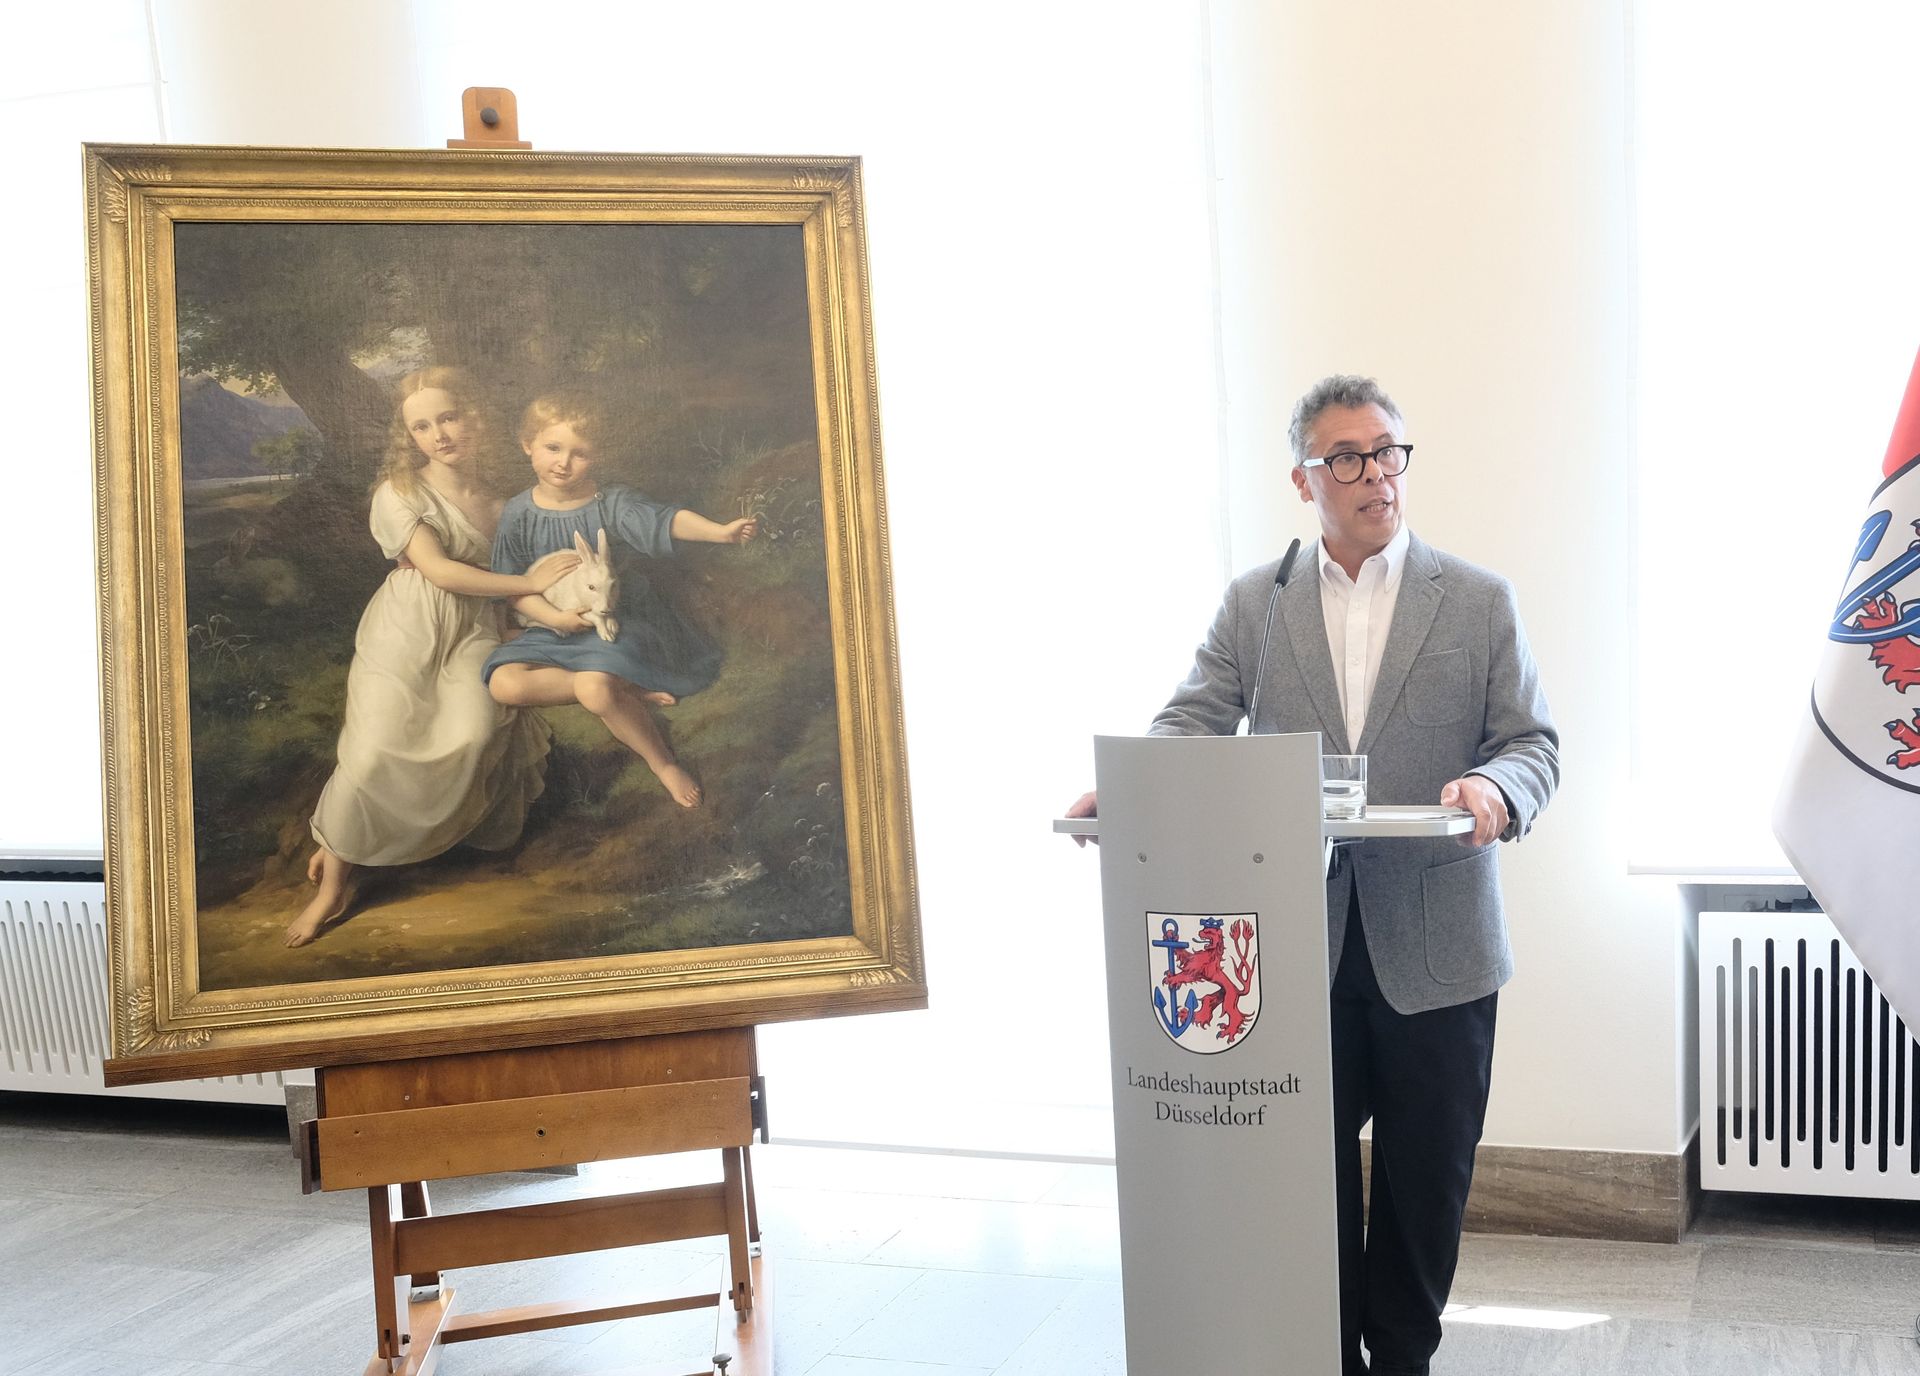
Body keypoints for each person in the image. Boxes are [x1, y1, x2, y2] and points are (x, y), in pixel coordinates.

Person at [1066, 375, 1558, 1375]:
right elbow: (1192, 720)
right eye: (1348, 457)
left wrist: (1496, 787)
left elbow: (1532, 743)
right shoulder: (1261, 601)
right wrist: (1129, 792)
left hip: (1440, 949)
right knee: (1302, 1181)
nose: (1376, 474)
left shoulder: (1477, 600)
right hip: (1296, 948)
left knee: (1425, 1182)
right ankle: (1323, 1354)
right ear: (1304, 478)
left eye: (1389, 452)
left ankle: (1403, 1358)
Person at [290, 367, 582, 947]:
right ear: (409, 436)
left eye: (448, 417)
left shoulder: (503, 501)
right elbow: (441, 571)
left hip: (473, 631)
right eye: (421, 426)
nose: (439, 435)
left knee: (472, 734)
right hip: (406, 629)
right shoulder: (399, 491)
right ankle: (333, 886)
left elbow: (509, 584)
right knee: (373, 749)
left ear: (474, 416)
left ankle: (362, 840)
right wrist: (528, 581)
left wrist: (541, 610)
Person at [483, 392, 759, 810]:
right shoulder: (518, 513)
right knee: (504, 683)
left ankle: (663, 763)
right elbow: (515, 587)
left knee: (592, 689)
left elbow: (664, 520)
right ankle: (625, 685)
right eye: (553, 448)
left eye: (580, 453)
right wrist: (556, 618)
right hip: (553, 625)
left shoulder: (610, 503)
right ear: (527, 445)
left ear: (597, 455)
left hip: (618, 622)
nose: (563, 462)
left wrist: (719, 532)